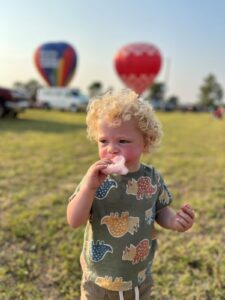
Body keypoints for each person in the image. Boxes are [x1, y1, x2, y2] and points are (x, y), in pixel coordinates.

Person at [67, 89, 195, 300]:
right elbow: (74, 220)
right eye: (103, 141)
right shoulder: (95, 178)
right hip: (97, 279)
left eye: (123, 141)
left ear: (145, 142)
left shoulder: (151, 177)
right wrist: (88, 188)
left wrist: (174, 221)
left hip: (137, 277)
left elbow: (160, 209)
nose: (111, 149)